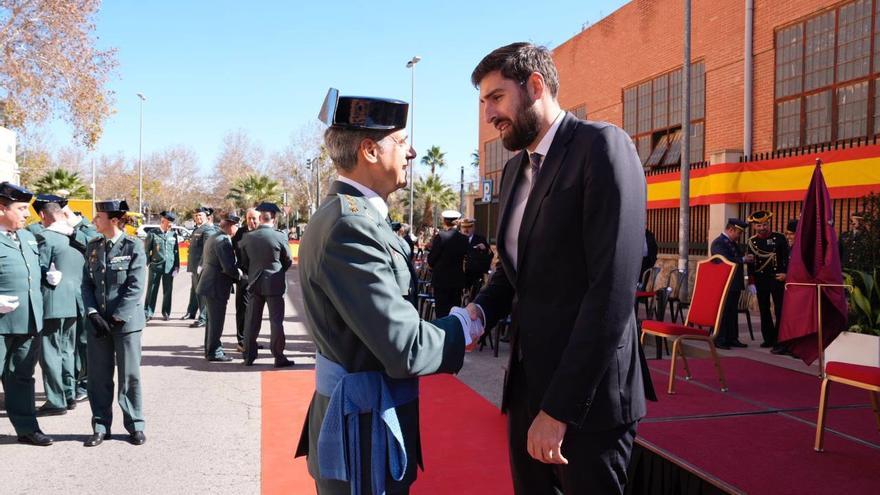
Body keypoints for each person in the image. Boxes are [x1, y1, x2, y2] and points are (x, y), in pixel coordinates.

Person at [467, 43, 654, 494]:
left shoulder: (602, 146)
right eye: (483, 102)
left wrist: (559, 410)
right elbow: (515, 272)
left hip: (587, 402)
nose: (489, 114)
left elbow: (611, 289)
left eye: (496, 97)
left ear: (535, 86)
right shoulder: (514, 172)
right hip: (528, 390)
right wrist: (473, 317)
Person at [295, 89, 483, 494]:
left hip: (366, 415)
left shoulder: (352, 217)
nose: (411, 152)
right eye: (400, 141)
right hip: (362, 427)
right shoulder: (351, 226)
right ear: (369, 150)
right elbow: (405, 347)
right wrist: (464, 326)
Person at [81, 199, 147, 447]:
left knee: (129, 377)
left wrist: (117, 317)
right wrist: (92, 313)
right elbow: (86, 283)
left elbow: (135, 286)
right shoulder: (94, 246)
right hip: (98, 324)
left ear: (114, 220)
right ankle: (100, 425)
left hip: (125, 324)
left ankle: (135, 425)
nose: (94, 221)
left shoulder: (134, 246)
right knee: (98, 377)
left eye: (99, 217)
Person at [0, 182, 53, 446]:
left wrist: (49, 277)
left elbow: (35, 270)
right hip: (0, 323)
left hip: (29, 320)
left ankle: (27, 428)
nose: (26, 214)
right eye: (20, 208)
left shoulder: (26, 236)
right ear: (2, 208)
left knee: (21, 376)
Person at [35, 200, 81, 416]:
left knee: (50, 352)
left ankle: (56, 400)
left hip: (52, 301)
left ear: (44, 216)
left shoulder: (46, 237)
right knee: (67, 350)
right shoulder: (76, 238)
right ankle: (69, 394)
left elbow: (39, 268)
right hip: (73, 302)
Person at [239, 202, 293, 367]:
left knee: (251, 321)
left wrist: (254, 272)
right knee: (276, 322)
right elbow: (288, 260)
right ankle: (278, 357)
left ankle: (248, 356)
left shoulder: (248, 237)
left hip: (255, 282)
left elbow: (244, 262)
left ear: (260, 218)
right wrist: (278, 271)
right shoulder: (279, 236)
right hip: (274, 283)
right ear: (274, 218)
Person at [62, 204, 100, 403]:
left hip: (85, 295)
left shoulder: (85, 231)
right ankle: (68, 384)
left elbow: (93, 241)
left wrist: (74, 226)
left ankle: (84, 382)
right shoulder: (45, 231)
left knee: (84, 342)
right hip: (63, 297)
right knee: (67, 345)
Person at [196, 213, 241, 362]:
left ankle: (210, 350)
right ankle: (215, 352)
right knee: (216, 321)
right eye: (236, 226)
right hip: (216, 285)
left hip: (210, 284)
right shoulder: (222, 241)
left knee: (211, 320)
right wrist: (241, 276)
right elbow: (228, 267)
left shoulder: (214, 237)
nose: (237, 229)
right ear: (230, 225)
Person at [746, 211, 789, 353]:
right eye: (759, 225)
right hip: (761, 279)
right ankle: (768, 338)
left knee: (779, 310)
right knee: (764, 310)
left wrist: (786, 273)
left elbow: (786, 258)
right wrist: (751, 280)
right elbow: (751, 263)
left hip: (777, 278)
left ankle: (779, 339)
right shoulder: (752, 242)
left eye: (765, 224)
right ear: (754, 227)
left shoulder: (779, 238)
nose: (763, 228)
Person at [710, 218, 753, 350]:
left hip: (734, 283)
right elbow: (722, 260)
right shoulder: (719, 243)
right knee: (724, 311)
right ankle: (720, 338)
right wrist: (742, 259)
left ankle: (732, 337)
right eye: (738, 233)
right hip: (725, 282)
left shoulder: (731, 243)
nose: (739, 236)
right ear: (730, 229)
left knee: (732, 312)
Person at [427, 210, 470, 317]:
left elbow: (431, 259)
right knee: (454, 313)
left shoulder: (440, 236)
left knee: (441, 313)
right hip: (457, 282)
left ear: (445, 221)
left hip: (441, 282)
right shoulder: (464, 239)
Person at [184, 206, 220, 327]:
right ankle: (201, 316)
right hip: (195, 267)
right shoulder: (198, 229)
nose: (198, 217)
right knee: (197, 292)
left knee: (202, 293)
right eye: (196, 215)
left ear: (206, 217)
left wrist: (201, 265)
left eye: (201, 215)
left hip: (201, 267)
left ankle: (204, 318)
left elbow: (207, 249)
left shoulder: (207, 230)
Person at [143, 210, 180, 321]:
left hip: (169, 267)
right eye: (169, 222)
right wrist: (147, 263)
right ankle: (148, 312)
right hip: (155, 266)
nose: (171, 225)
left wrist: (177, 266)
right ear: (163, 220)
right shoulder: (153, 233)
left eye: (172, 223)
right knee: (152, 290)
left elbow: (176, 251)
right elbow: (146, 251)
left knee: (168, 290)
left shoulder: (173, 234)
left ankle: (166, 312)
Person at [231, 207, 258, 352]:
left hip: (259, 278)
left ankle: (251, 339)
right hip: (245, 277)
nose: (252, 221)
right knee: (243, 310)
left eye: (254, 218)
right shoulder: (241, 233)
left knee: (254, 311)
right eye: (249, 218)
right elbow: (232, 250)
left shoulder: (262, 232)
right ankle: (241, 341)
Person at [459, 217, 492, 299]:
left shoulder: (480, 239)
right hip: (460, 275)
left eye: (469, 227)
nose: (466, 230)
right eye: (464, 227)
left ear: (473, 228)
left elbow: (490, 254)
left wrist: (485, 249)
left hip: (475, 276)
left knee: (473, 299)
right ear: (460, 228)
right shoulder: (457, 239)